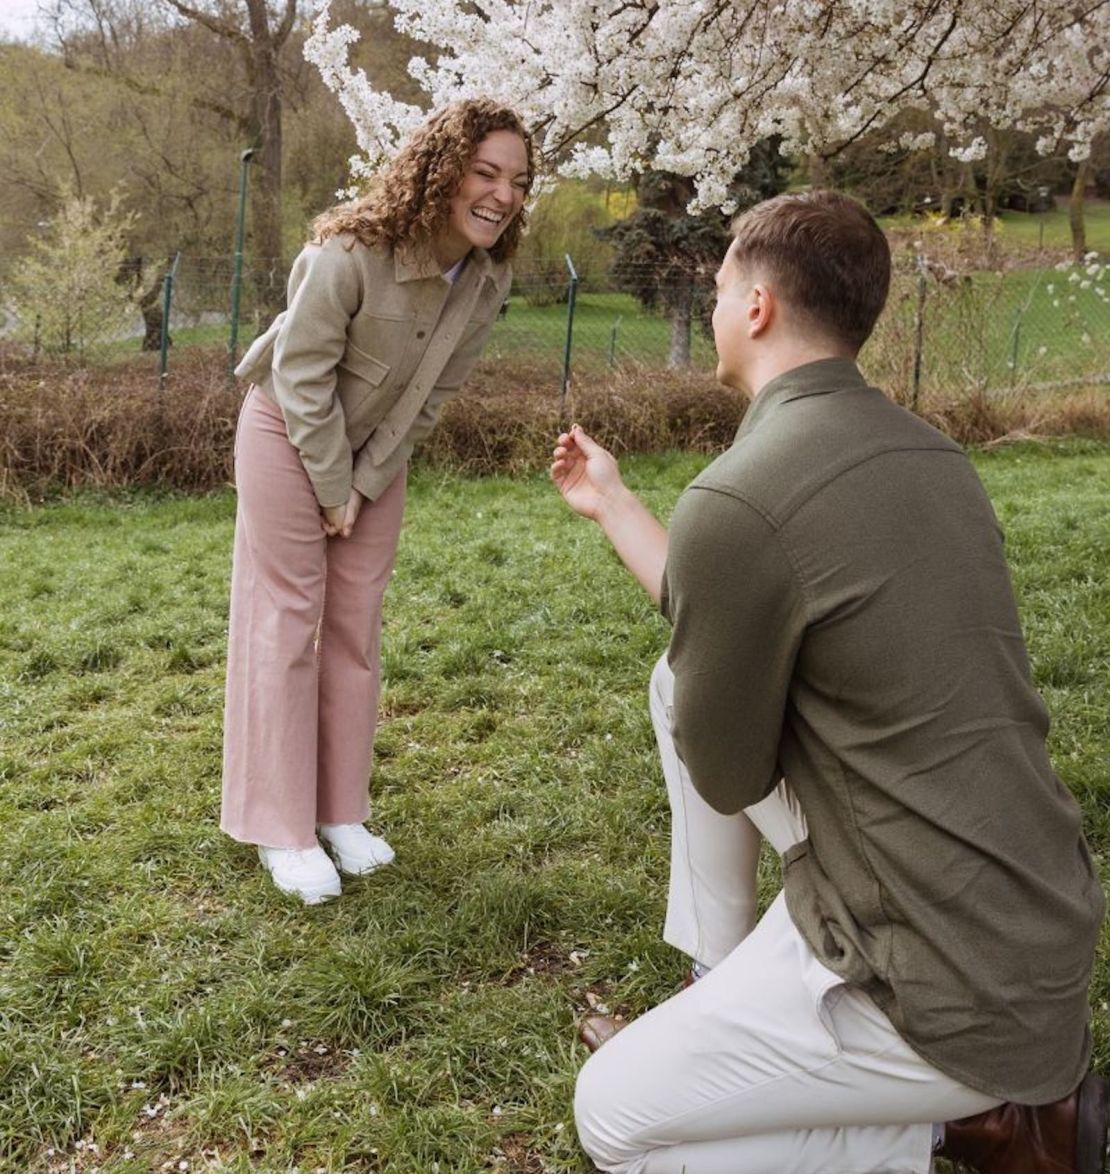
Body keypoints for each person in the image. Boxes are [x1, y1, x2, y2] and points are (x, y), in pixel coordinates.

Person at [550, 190, 1106, 1173]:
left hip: (935, 982)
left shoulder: (742, 490)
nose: (717, 304)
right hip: (1035, 923)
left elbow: (725, 773)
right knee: (675, 682)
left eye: (720, 287)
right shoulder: (935, 457)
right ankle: (726, 987)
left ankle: (931, 1121)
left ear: (756, 306)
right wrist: (614, 504)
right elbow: (717, 604)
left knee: (615, 1117)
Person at [221, 98, 534, 904]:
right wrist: (332, 486)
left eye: (518, 181)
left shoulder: (488, 278)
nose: (502, 195)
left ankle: (340, 814)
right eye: (486, 172)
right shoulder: (349, 252)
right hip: (286, 433)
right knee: (289, 621)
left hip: (371, 459)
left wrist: (362, 485)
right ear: (442, 172)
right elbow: (299, 378)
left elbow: (429, 400)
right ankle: (280, 829)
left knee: (356, 627)